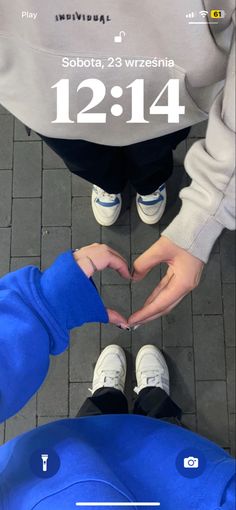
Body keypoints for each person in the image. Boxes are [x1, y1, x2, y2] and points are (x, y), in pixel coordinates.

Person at [0, 1, 235, 325]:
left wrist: (213, 200)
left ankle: (148, 186)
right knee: (87, 163)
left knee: (153, 160)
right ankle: (110, 185)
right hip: (48, 100)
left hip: (167, 97)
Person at [0, 250, 235, 509]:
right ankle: (153, 398)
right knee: (164, 425)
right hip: (184, 479)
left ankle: (108, 397)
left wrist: (42, 306)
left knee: (96, 420)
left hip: (74, 453)